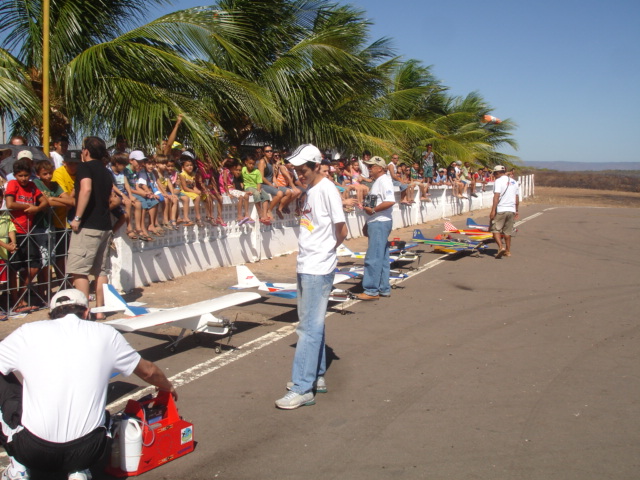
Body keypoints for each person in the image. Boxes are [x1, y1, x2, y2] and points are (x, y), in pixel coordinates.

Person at [0, 288, 176, 480]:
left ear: (51, 315)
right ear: (86, 312)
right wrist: (168, 387)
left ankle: (19, 467)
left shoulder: (28, 332)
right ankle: (78, 470)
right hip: (89, 450)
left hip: (33, 451)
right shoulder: (106, 334)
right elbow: (148, 371)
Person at [275, 144, 347, 410]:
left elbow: (342, 230)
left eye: (302, 169)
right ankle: (315, 376)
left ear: (317, 165)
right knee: (312, 324)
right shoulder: (313, 190)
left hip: (317, 266)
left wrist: (325, 253)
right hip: (308, 263)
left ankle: (302, 387)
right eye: (296, 169)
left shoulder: (327, 189)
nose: (299, 174)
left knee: (307, 328)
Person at [67, 136, 113, 316]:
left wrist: (77, 217)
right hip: (105, 225)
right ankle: (100, 310)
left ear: (85, 151)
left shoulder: (84, 167)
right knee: (100, 271)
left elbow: (86, 189)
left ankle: (83, 312)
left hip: (88, 225)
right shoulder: (105, 171)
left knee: (79, 270)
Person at [356, 156, 396, 301]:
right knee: (382, 256)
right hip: (377, 221)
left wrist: (373, 212)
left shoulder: (384, 181)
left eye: (372, 166)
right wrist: (367, 222)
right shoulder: (378, 182)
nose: (369, 168)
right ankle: (383, 288)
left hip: (379, 222)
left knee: (373, 257)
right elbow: (373, 204)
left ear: (380, 168)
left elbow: (390, 201)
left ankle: (371, 290)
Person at [490, 165, 520, 259]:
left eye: (494, 173)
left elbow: (496, 196)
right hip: (511, 209)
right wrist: (516, 210)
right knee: (507, 232)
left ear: (498, 172)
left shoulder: (498, 181)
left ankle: (500, 247)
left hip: (501, 209)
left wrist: (493, 210)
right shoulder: (514, 182)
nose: (494, 175)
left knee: (495, 229)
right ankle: (508, 251)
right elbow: (517, 198)